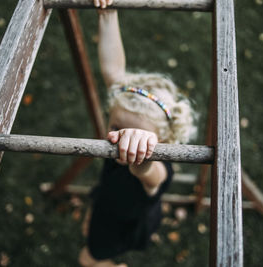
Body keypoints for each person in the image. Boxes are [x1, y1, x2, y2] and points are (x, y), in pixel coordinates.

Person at [79, 1, 197, 266]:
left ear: (163, 140)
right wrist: (108, 14)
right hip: (108, 201)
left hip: (125, 223)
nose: (121, 138)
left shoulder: (159, 170)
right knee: (93, 220)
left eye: (135, 134)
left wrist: (143, 156)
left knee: (88, 259)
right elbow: (113, 72)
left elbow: (147, 172)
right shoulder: (118, 128)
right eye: (116, 127)